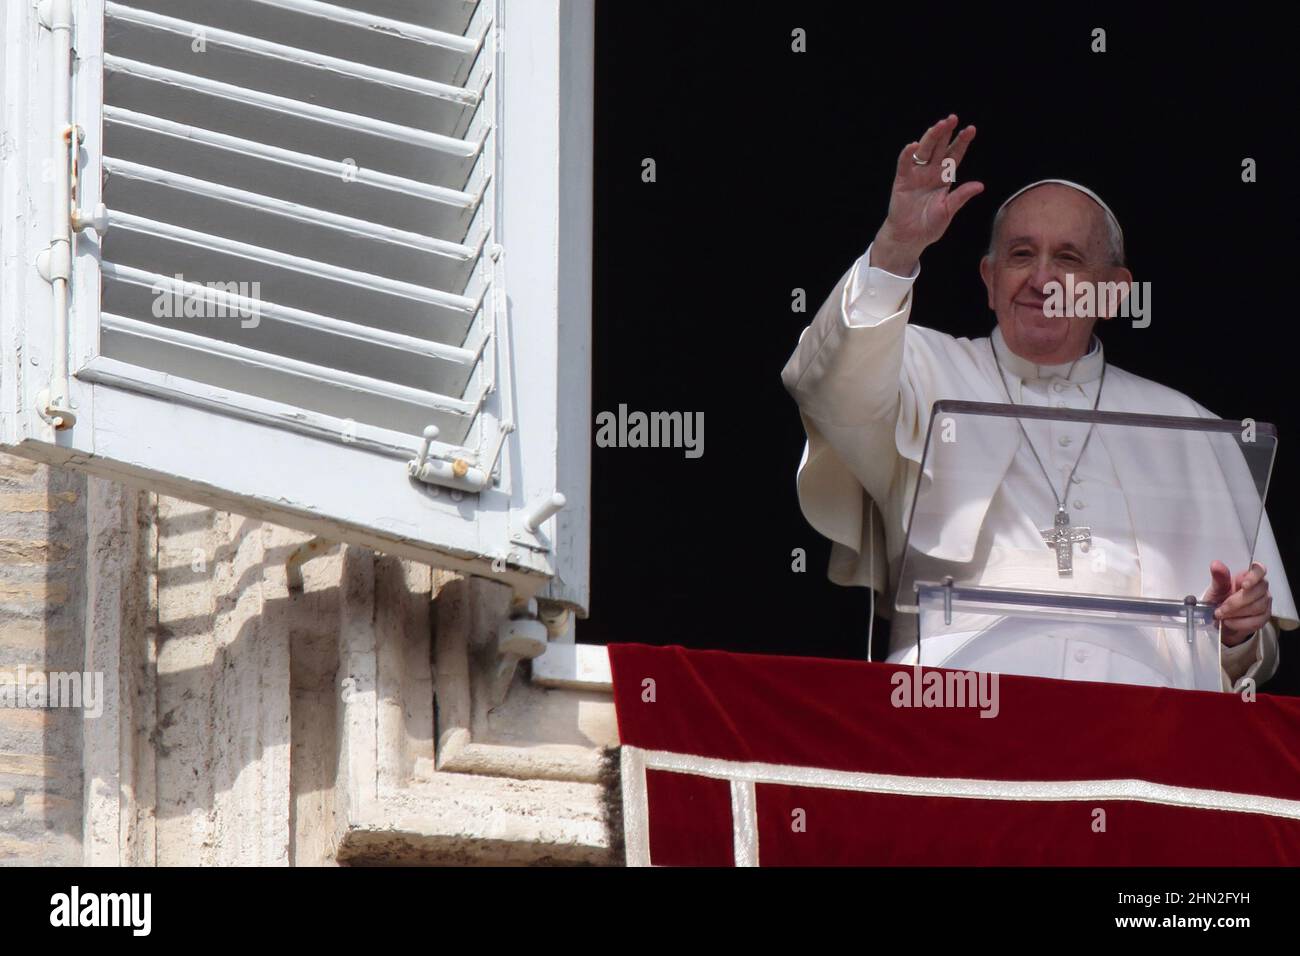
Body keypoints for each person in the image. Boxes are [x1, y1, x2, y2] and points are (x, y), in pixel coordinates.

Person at [781, 114, 1295, 691]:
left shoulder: (1186, 424)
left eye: (1070, 260)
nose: (1043, 279)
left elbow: (1249, 653)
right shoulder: (919, 369)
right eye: (1022, 255)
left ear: (1115, 290)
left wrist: (1235, 634)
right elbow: (829, 386)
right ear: (990, 277)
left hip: (1141, 723)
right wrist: (898, 245)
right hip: (953, 704)